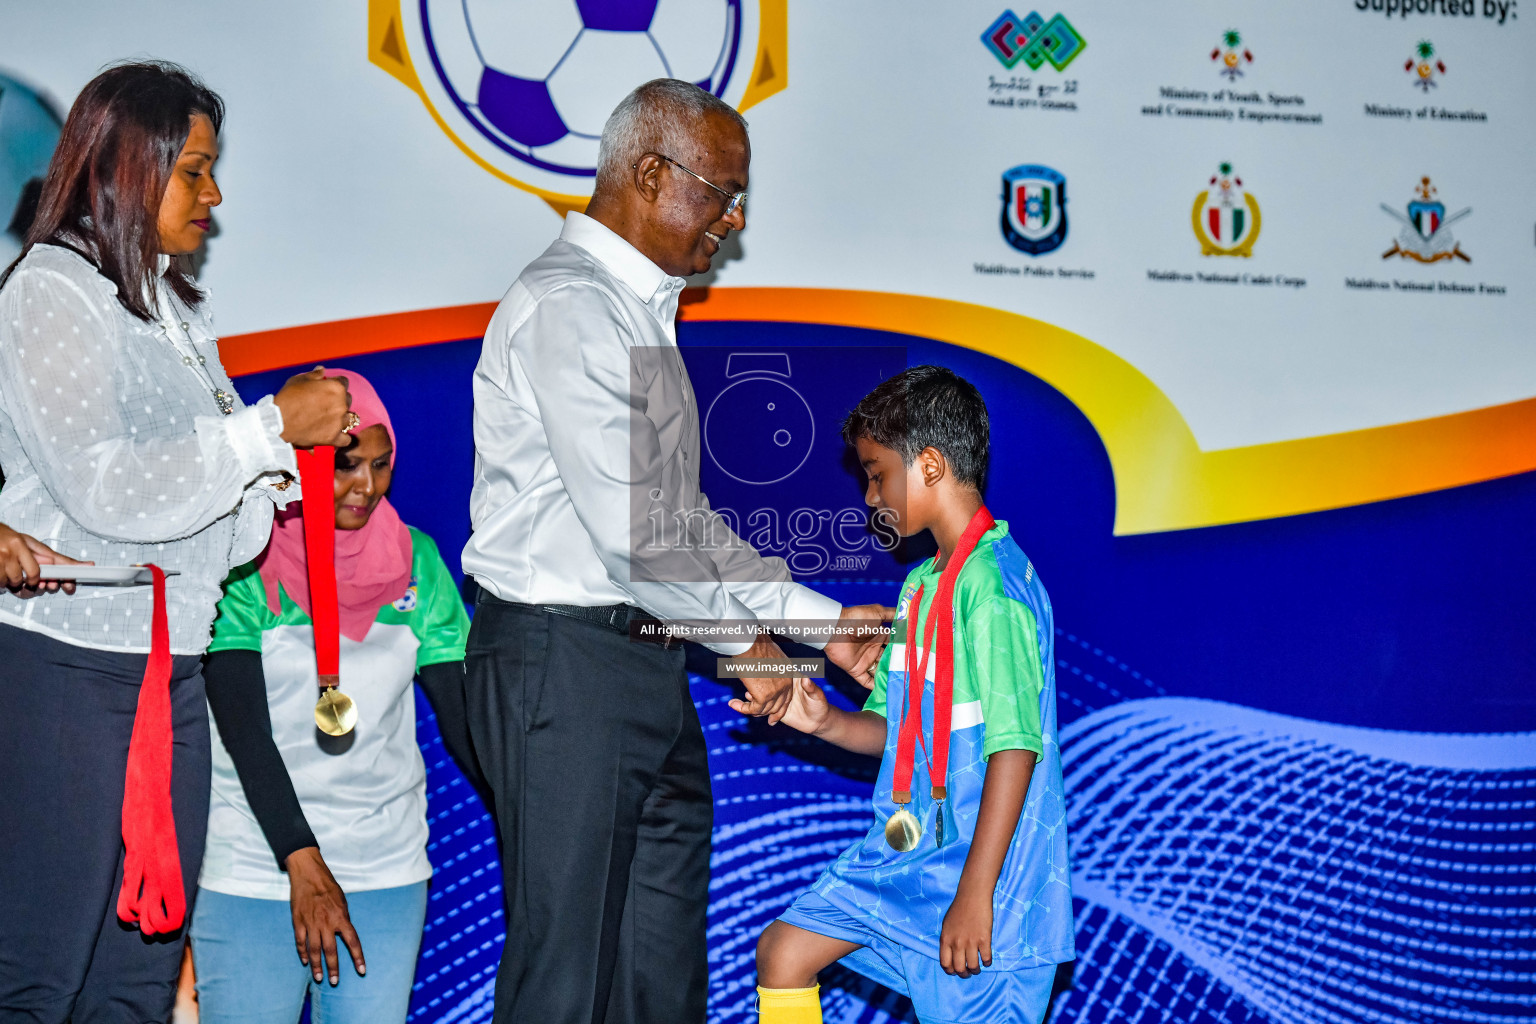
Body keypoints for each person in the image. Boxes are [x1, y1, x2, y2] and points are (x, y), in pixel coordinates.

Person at [462, 78, 892, 1023]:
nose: (732, 224)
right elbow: (636, 542)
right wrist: (754, 655)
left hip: (645, 660)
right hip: (562, 663)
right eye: (721, 193)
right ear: (649, 173)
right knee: (564, 985)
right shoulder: (572, 305)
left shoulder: (639, 313)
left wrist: (827, 628)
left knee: (661, 988)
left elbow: (686, 531)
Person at [0, 61, 352, 1021]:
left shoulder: (177, 309)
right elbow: (105, 488)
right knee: (37, 975)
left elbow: (223, 540)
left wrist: (276, 474)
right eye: (194, 169)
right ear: (126, 168)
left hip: (173, 672)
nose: (215, 193)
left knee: (141, 977)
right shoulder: (52, 288)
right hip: (66, 669)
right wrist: (268, 430)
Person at [750, 366, 1074, 1024]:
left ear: (928, 466)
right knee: (784, 952)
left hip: (988, 886)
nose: (869, 496)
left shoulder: (994, 586)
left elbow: (1015, 748)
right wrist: (824, 723)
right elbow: (893, 734)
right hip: (907, 857)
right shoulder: (919, 588)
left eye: (876, 474)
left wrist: (975, 892)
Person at [190, 368, 475, 1023]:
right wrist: (301, 862)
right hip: (257, 866)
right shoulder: (244, 560)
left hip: (383, 867)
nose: (366, 487)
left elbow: (465, 722)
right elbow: (243, 731)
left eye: (380, 466)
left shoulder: (418, 563)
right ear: (295, 462)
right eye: (345, 465)